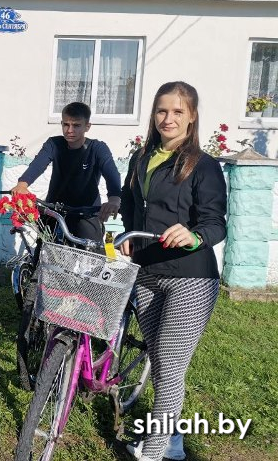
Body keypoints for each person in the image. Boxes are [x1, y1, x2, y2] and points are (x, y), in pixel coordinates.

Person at [120, 82, 227, 461]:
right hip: (147, 273)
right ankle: (175, 444)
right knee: (161, 362)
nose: (168, 119)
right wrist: (126, 233)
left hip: (191, 277)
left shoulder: (203, 165)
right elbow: (132, 207)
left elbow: (216, 223)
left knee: (169, 363)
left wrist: (194, 235)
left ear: (192, 116)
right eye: (162, 111)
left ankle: (152, 452)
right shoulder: (141, 158)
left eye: (178, 112)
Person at [12, 101, 121, 239]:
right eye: (66, 124)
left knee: (92, 257)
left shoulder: (97, 148)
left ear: (87, 126)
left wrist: (114, 200)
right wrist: (22, 184)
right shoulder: (53, 144)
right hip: (55, 211)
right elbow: (37, 165)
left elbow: (112, 174)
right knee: (44, 253)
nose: (70, 130)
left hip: (86, 213)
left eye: (76, 125)